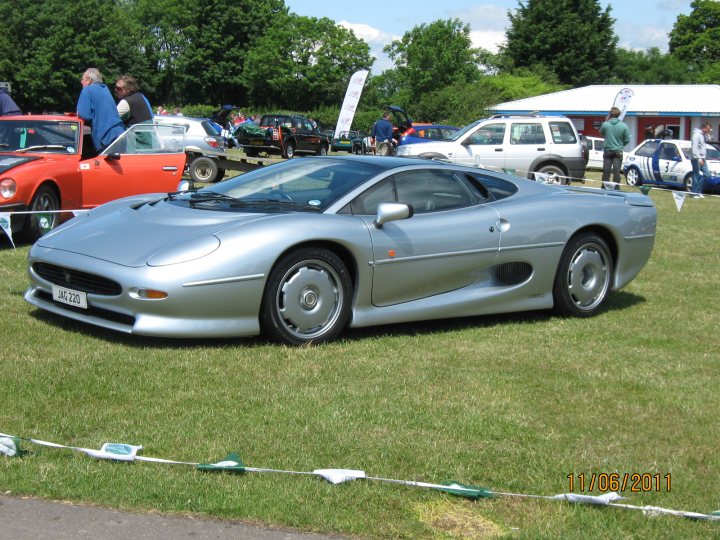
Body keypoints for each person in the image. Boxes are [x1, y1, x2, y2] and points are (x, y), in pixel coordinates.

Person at [77, 68, 124, 153]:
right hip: (121, 133)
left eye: (82, 79)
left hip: (105, 138)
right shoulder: (105, 89)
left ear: (89, 80)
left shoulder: (87, 90)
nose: (81, 82)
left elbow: (84, 115)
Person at [600, 106, 631, 189]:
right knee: (616, 171)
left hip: (608, 150)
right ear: (619, 115)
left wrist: (606, 120)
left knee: (606, 170)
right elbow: (627, 139)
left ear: (610, 114)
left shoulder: (605, 124)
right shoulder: (624, 126)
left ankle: (604, 187)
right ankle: (616, 187)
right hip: (618, 151)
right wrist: (621, 145)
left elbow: (601, 132)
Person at [690, 122, 712, 197]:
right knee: (696, 175)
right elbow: (694, 148)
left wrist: (709, 134)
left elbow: (707, 142)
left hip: (703, 158)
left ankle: (698, 191)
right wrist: (698, 158)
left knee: (707, 174)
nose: (708, 131)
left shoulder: (703, 136)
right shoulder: (696, 135)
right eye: (708, 129)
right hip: (696, 158)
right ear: (704, 128)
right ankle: (694, 193)